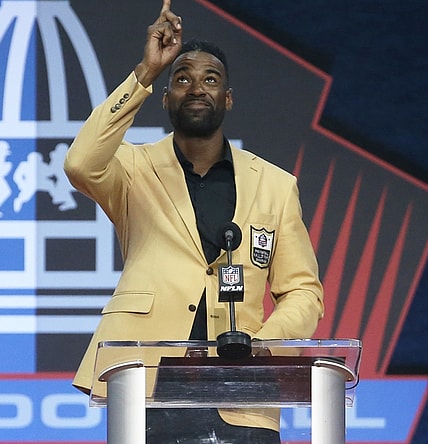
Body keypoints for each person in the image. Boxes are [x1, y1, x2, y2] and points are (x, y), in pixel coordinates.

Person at [63, 0, 324, 442]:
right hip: (149, 382)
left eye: (210, 80)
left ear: (228, 98)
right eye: (181, 79)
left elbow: (303, 290)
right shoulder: (132, 169)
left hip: (244, 388)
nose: (196, 88)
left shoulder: (276, 185)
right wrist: (145, 72)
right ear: (165, 99)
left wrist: (263, 343)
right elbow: (80, 164)